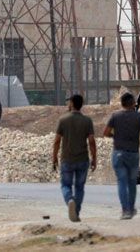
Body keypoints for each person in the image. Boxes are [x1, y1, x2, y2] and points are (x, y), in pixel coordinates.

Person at [103, 92, 140, 220]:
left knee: (121, 181)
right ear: (133, 104)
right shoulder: (138, 117)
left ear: (122, 104)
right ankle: (131, 209)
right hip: (133, 154)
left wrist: (115, 136)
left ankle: (125, 210)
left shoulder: (115, 116)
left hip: (118, 154)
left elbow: (106, 132)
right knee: (132, 183)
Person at [52, 94, 96, 222]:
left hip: (67, 159)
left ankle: (69, 200)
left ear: (71, 103)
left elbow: (57, 141)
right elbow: (91, 141)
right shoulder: (87, 121)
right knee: (79, 187)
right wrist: (94, 158)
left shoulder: (63, 120)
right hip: (82, 159)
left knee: (65, 185)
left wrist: (54, 157)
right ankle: (76, 212)